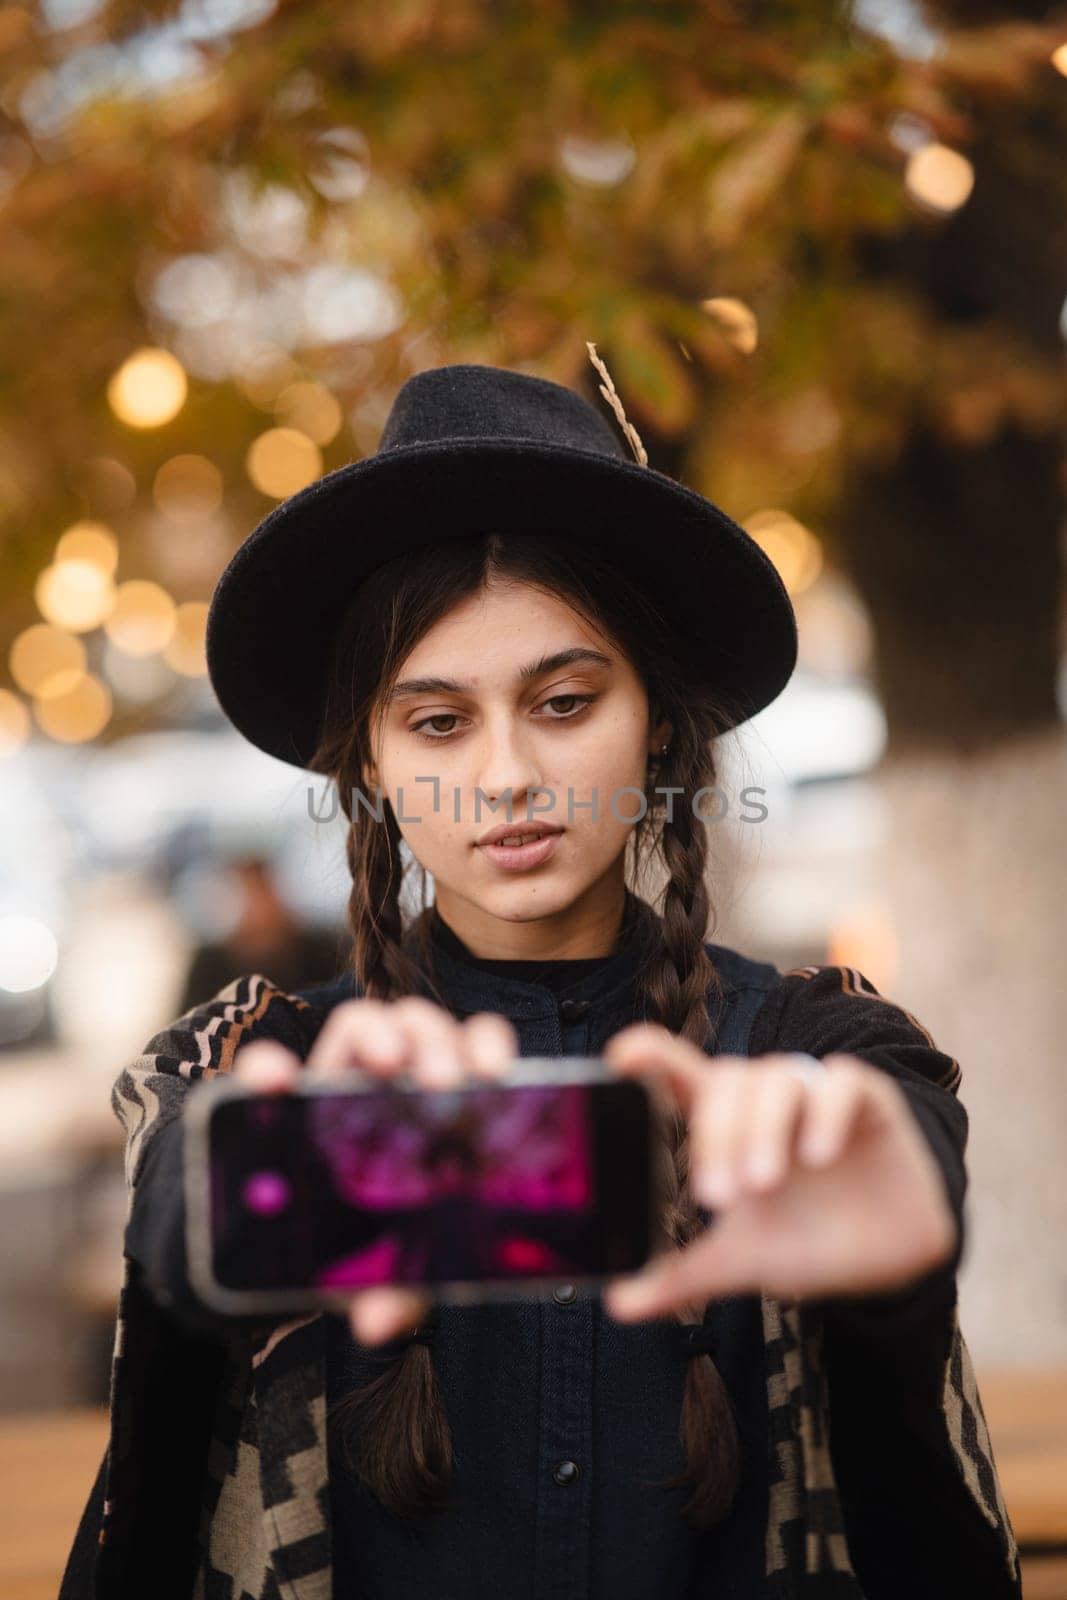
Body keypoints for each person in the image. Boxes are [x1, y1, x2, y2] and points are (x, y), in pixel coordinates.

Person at [60, 359, 1022, 1599]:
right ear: (369, 757)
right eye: (439, 721)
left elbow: (898, 1189)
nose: (505, 774)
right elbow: (177, 1230)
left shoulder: (817, 1054)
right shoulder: (252, 1073)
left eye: (563, 702)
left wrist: (888, 1288)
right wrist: (270, 1168)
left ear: (657, 726)